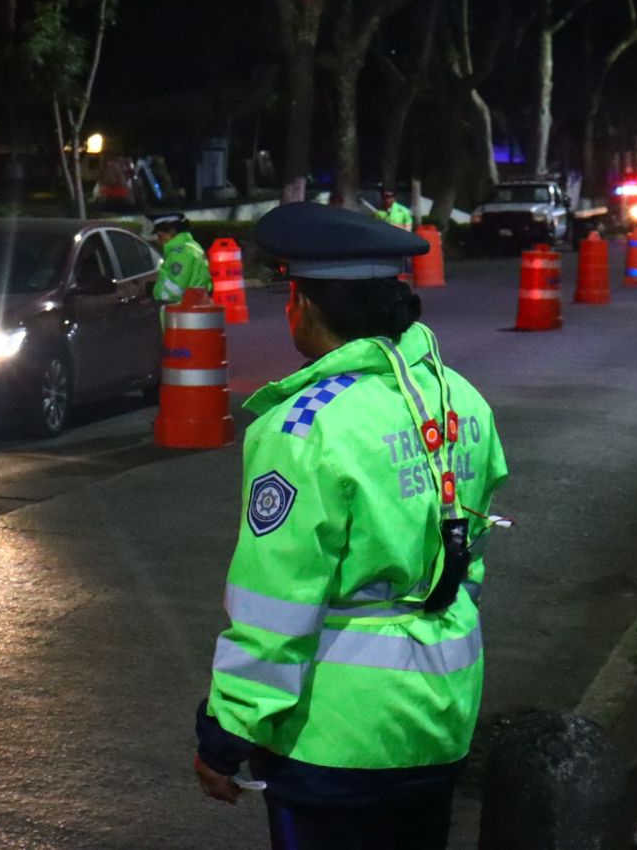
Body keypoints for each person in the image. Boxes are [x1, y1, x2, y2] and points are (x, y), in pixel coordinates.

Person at [192, 202, 508, 850]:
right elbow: (468, 554)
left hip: (335, 738)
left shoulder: (305, 427)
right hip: (442, 717)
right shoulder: (461, 399)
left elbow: (277, 604)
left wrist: (225, 735)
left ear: (307, 306)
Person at [152, 212, 212, 306]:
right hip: (196, 307)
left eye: (160, 236)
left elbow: (173, 291)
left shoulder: (180, 254)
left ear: (171, 232)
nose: (158, 241)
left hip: (183, 311)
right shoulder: (193, 246)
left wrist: (154, 291)